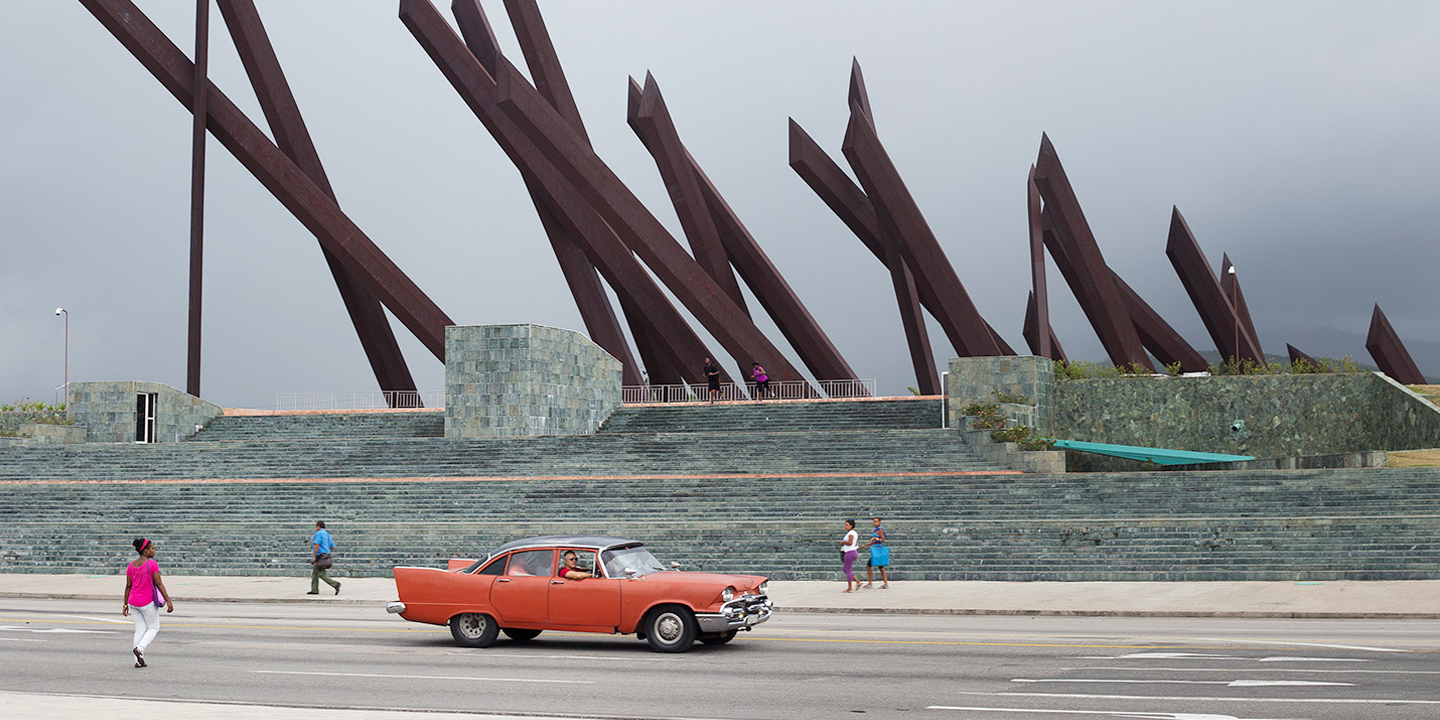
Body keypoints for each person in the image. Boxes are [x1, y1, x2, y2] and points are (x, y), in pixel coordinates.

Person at [122, 537, 173, 668]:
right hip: (146, 602)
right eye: (152, 548)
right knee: (153, 627)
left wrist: (125, 604)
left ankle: (137, 660)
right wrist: (168, 600)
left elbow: (128, 586)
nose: (154, 551)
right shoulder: (152, 564)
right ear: (145, 551)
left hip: (133, 602)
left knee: (139, 629)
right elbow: (159, 583)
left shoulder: (131, 566)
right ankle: (140, 648)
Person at [308, 521, 341, 595]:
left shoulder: (319, 533)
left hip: (320, 556)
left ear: (318, 526)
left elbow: (317, 545)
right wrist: (326, 550)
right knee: (315, 573)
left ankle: (335, 584)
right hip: (327, 555)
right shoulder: (328, 534)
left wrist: (314, 556)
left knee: (320, 573)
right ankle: (314, 589)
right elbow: (333, 547)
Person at [864, 516, 890, 589]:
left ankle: (873, 583)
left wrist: (875, 538)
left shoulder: (880, 530)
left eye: (876, 521)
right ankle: (884, 583)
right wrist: (866, 545)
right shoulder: (876, 530)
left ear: (879, 522)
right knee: (879, 567)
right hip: (875, 549)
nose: (874, 523)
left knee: (873, 566)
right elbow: (874, 541)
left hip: (878, 550)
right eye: (874, 521)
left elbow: (883, 540)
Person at [840, 518, 860, 593]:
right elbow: (856, 543)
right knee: (845, 569)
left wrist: (843, 543)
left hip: (850, 552)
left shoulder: (851, 534)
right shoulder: (854, 533)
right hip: (853, 551)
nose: (845, 526)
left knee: (848, 570)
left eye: (847, 525)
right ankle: (858, 581)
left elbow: (850, 543)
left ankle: (850, 588)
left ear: (851, 526)